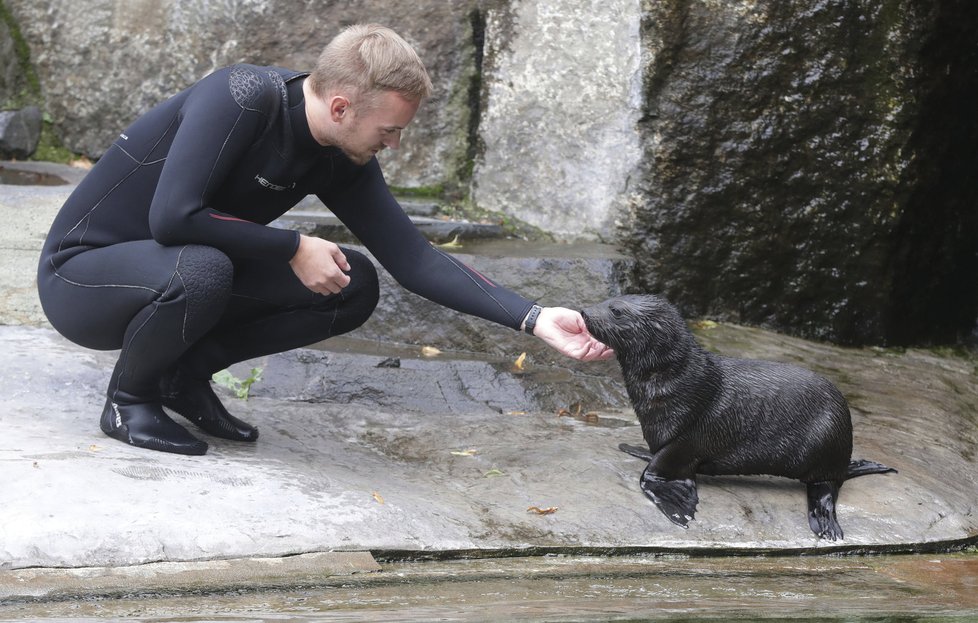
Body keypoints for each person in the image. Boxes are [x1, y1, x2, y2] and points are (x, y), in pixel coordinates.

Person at [36, 24, 613, 456]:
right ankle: (128, 401)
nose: (393, 143)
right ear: (341, 107)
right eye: (390, 130)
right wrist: (291, 246)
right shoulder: (239, 97)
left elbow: (412, 260)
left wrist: (535, 318)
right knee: (203, 266)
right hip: (84, 278)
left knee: (351, 283)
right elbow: (174, 218)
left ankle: (180, 377)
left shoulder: (341, 156)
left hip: (178, 273)